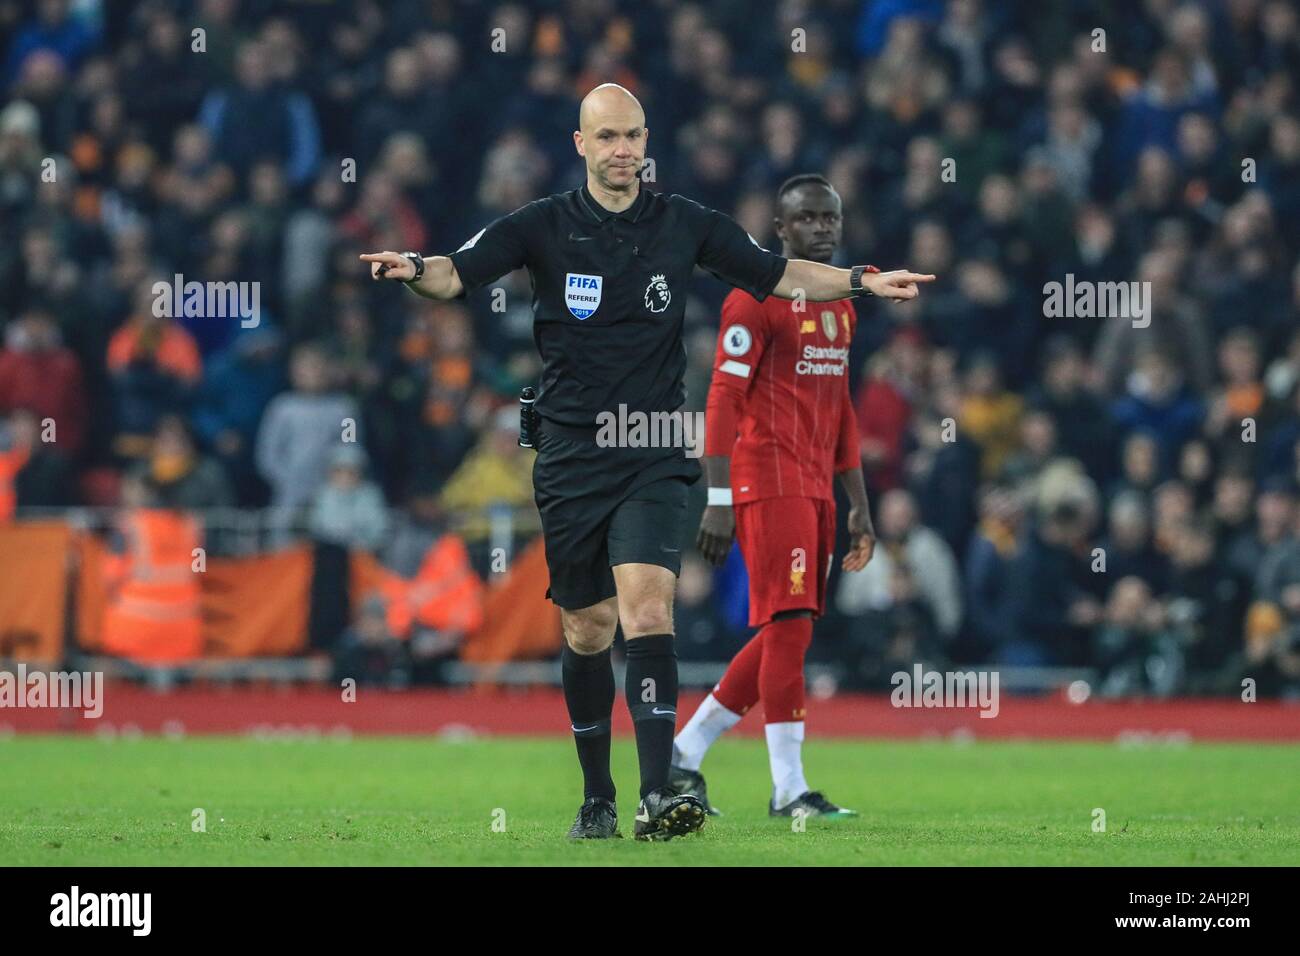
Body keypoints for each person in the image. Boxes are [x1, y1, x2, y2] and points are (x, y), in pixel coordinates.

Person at [362, 84, 934, 841]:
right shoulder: (541, 226)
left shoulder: (684, 224)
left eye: (633, 135)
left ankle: (659, 791)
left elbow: (780, 272)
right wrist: (410, 267)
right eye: (607, 138)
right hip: (568, 454)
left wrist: (862, 280)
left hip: (657, 447)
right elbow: (456, 272)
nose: (622, 150)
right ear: (581, 145)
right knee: (589, 628)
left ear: (645, 142)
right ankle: (597, 795)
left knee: (648, 608)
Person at [669, 174, 876, 819]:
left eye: (829, 219)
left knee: (792, 626)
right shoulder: (752, 298)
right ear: (780, 230)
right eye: (807, 220)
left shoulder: (842, 305)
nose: (821, 229)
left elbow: (840, 408)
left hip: (816, 486)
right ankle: (788, 789)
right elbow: (723, 397)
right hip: (767, 479)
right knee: (788, 626)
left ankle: (683, 751)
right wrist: (720, 497)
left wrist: (860, 504)